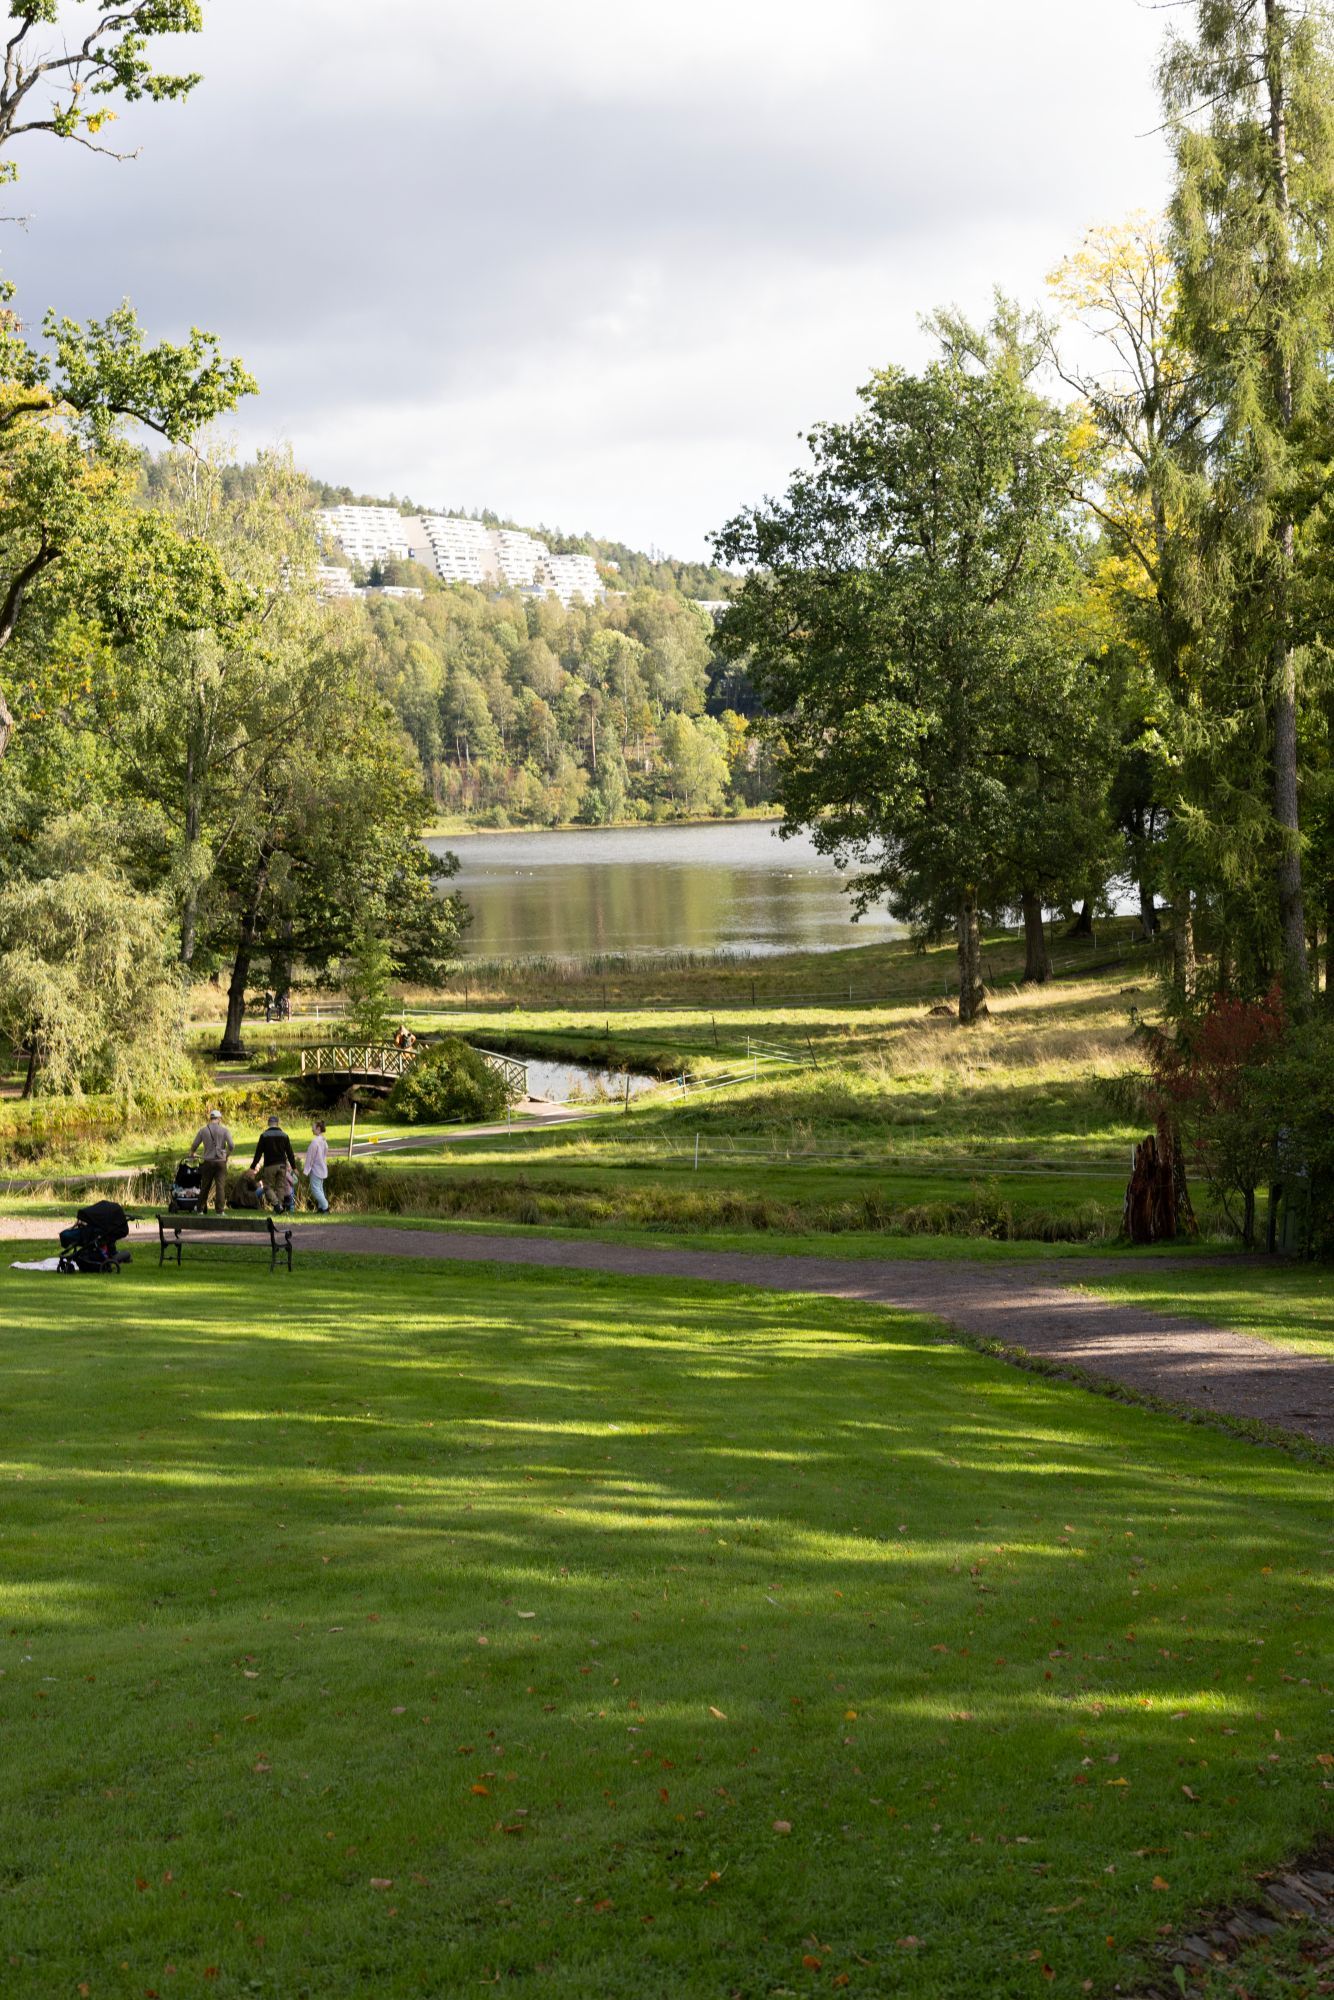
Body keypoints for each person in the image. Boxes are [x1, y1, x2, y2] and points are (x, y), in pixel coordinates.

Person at [188, 1109, 233, 1213]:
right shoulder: (224, 1131)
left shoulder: (203, 1130)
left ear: (211, 1118)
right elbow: (231, 1145)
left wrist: (192, 1153)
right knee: (220, 1187)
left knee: (205, 1186)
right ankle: (220, 1211)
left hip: (207, 1162)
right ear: (219, 1119)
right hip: (220, 1162)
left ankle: (200, 1209)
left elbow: (194, 1144)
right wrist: (226, 1155)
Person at [250, 1114, 297, 1207]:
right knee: (280, 1187)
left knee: (267, 1186)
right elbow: (290, 1153)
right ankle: (280, 1206)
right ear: (277, 1123)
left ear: (268, 1123)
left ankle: (276, 1204)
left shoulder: (264, 1136)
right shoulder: (284, 1136)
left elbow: (258, 1153)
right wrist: (294, 1167)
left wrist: (253, 1166)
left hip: (270, 1165)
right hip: (282, 1165)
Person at [303, 1119, 329, 1213]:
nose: (312, 1129)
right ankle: (321, 1208)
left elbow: (310, 1158)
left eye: (313, 1127)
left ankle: (325, 1206)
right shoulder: (324, 1141)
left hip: (316, 1169)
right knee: (320, 1188)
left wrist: (306, 1170)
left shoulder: (315, 1142)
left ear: (318, 1128)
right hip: (322, 1168)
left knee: (315, 1189)